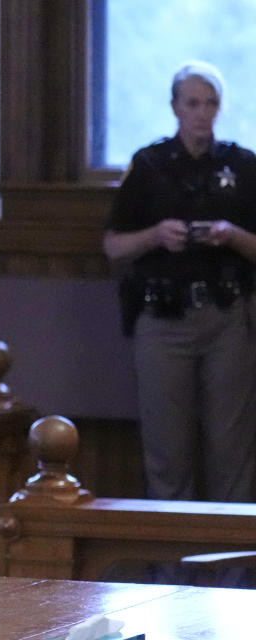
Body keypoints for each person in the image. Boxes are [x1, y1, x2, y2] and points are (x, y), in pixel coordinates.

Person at [104, 60, 256, 502]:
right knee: (167, 452)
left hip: (226, 315)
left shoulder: (242, 166)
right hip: (164, 319)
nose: (202, 113)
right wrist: (156, 235)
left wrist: (232, 236)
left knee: (233, 450)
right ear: (175, 107)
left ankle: (237, 570)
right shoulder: (149, 165)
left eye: (210, 103)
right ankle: (168, 569)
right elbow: (113, 247)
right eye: (192, 103)